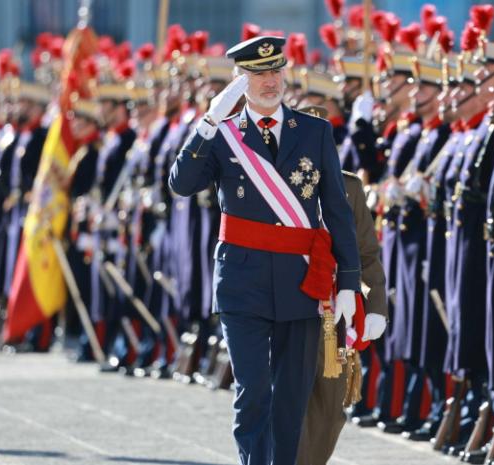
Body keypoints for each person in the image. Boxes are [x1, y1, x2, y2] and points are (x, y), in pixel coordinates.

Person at [168, 35, 361, 465]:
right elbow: (180, 184)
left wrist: (348, 280)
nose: (269, 82)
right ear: (241, 80)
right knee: (253, 393)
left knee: (292, 398)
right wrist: (208, 122)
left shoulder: (313, 132)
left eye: (275, 71)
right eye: (258, 74)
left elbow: (336, 210)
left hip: (301, 280)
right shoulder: (223, 135)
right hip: (243, 281)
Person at [297, 169, 388, 465]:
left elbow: (366, 250)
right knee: (284, 400)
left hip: (333, 310)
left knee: (329, 407)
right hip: (283, 305)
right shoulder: (271, 174)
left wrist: (376, 304)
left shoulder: (346, 184)